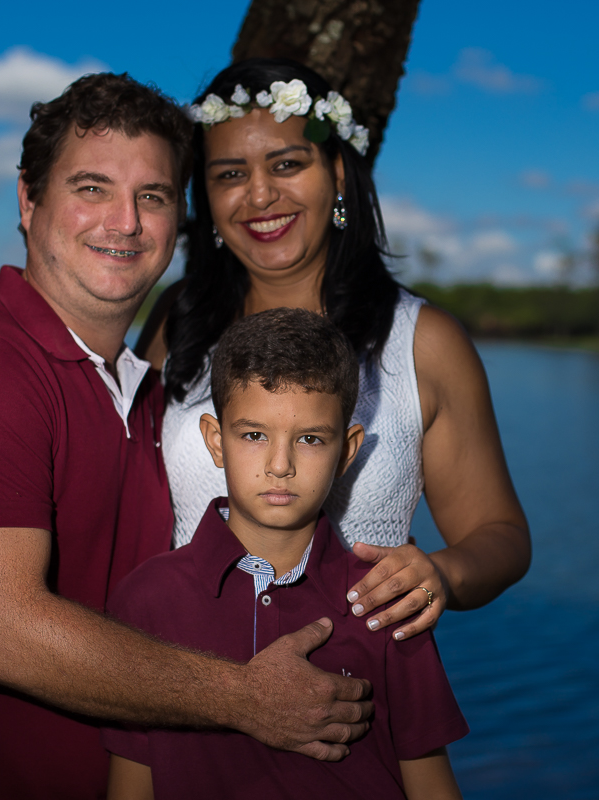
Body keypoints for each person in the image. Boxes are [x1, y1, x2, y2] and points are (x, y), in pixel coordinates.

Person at [0, 72, 371, 800]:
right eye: (92, 188)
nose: (125, 223)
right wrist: (245, 697)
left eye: (152, 197)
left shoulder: (147, 392)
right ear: (28, 201)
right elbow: (1, 634)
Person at [139, 58, 531, 642]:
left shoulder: (423, 341)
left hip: (353, 675)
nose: (260, 194)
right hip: (189, 669)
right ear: (209, 200)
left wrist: (441, 575)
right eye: (230, 174)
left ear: (339, 173)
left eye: (287, 164)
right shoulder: (179, 320)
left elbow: (500, 535)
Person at [104, 308, 468, 800]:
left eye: (310, 439)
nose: (280, 465)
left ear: (347, 451)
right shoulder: (146, 600)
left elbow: (432, 785)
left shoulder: (386, 600)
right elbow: (130, 783)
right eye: (254, 435)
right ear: (216, 441)